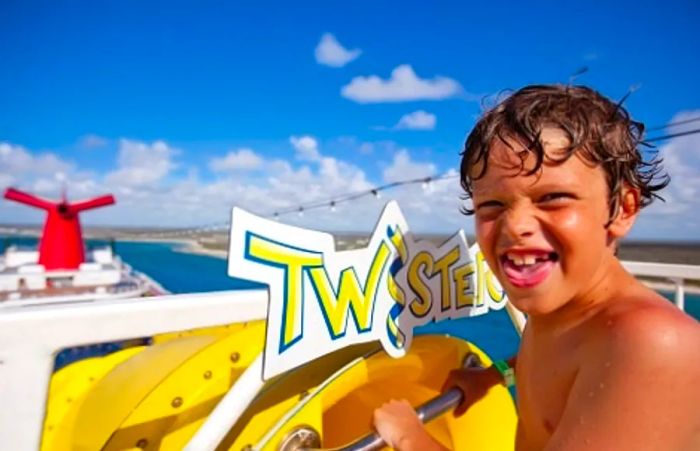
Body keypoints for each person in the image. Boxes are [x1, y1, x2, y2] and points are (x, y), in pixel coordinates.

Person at [373, 85, 700, 450]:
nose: (515, 226)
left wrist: (410, 436)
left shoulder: (650, 346)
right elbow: (544, 360)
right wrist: (494, 376)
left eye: (553, 198)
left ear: (621, 209)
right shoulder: (563, 312)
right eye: (492, 205)